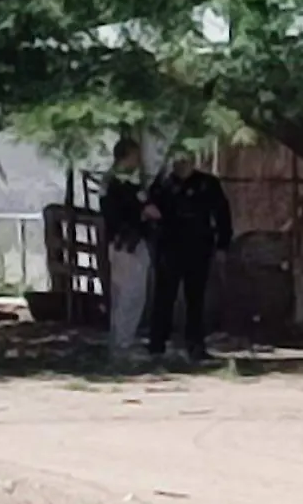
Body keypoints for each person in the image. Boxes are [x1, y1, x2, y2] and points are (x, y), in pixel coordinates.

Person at [147, 150, 233, 363]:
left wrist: (223, 244)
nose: (181, 165)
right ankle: (158, 345)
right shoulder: (163, 185)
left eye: (185, 161)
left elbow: (222, 214)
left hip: (198, 247)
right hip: (170, 247)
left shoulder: (208, 184)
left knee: (196, 298)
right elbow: (149, 214)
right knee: (164, 296)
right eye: (178, 161)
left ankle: (195, 345)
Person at [100, 138, 157, 361]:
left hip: (126, 242)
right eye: (135, 156)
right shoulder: (116, 183)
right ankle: (122, 343)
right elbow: (119, 212)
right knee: (130, 294)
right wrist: (142, 212)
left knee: (125, 293)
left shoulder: (123, 183)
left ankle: (120, 340)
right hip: (126, 243)